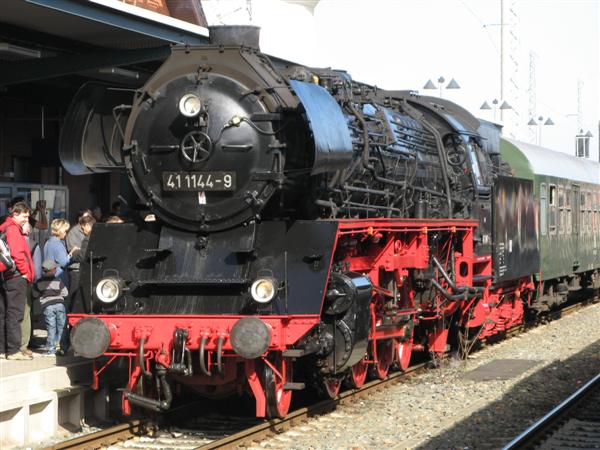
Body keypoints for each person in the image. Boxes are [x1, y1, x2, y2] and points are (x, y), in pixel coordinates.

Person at [0, 202, 35, 360]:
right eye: (24, 216)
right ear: (15, 214)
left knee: (4, 313)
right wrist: (26, 273)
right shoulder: (13, 229)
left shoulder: (4, 227)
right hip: (15, 276)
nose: (26, 219)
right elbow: (18, 254)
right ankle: (13, 351)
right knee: (15, 314)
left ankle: (2, 349)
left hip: (5, 275)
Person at [32, 260, 68, 357]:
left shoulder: (39, 282)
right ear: (53, 270)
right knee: (62, 327)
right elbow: (65, 293)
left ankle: (51, 349)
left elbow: (34, 294)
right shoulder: (58, 281)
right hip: (60, 305)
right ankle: (62, 348)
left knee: (51, 328)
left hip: (48, 307)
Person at [20, 220, 42, 356]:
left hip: (9, 280)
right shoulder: (33, 244)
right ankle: (24, 344)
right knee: (26, 313)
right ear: (30, 231)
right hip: (27, 281)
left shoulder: (6, 239)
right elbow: (37, 270)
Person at [66, 214, 95, 313]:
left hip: (85, 269)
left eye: (84, 229)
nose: (84, 231)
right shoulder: (74, 233)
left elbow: (81, 254)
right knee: (78, 295)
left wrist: (76, 251)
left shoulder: (88, 236)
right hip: (80, 269)